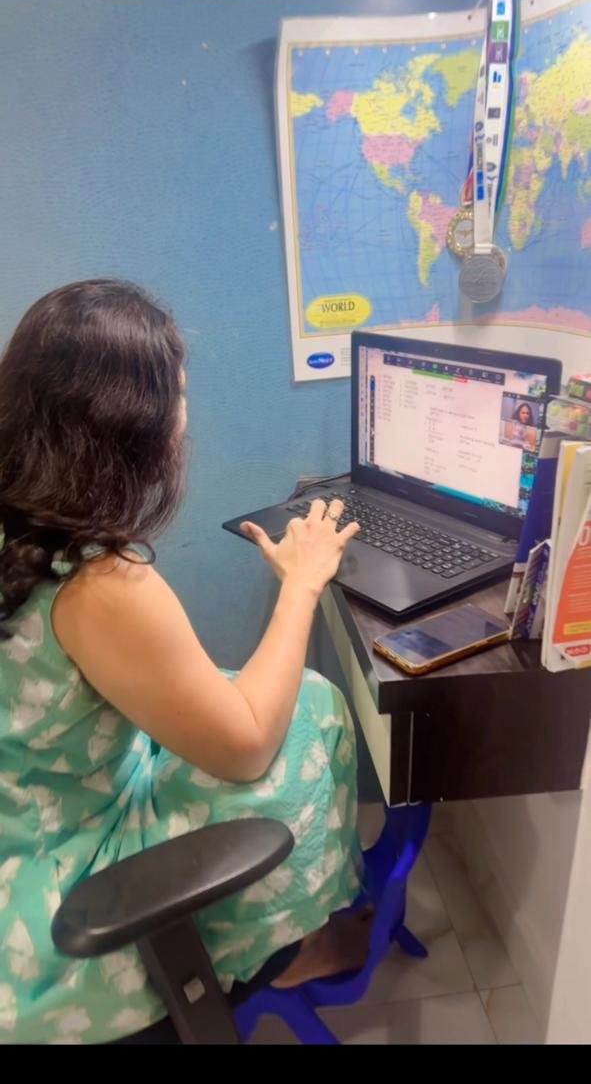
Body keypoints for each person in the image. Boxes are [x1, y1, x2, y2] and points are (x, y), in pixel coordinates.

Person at [0, 280, 367, 1045]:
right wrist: (301, 584)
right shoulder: (99, 582)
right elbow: (246, 747)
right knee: (313, 712)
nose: (185, 416)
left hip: (27, 802)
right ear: (136, 430)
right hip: (51, 907)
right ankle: (290, 946)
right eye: (180, 396)